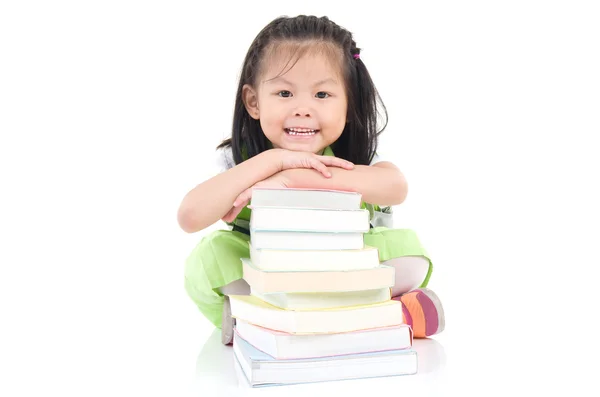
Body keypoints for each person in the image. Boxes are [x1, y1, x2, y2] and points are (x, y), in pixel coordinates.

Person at [177, 15, 445, 345]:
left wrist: (292, 176)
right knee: (208, 259)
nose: (303, 108)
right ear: (253, 102)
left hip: (343, 270)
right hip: (268, 274)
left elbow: (396, 187)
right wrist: (272, 161)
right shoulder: (243, 158)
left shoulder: (353, 158)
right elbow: (190, 217)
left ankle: (279, 320)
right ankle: (370, 316)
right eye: (285, 93)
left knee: (410, 250)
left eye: (322, 95)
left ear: (348, 103)